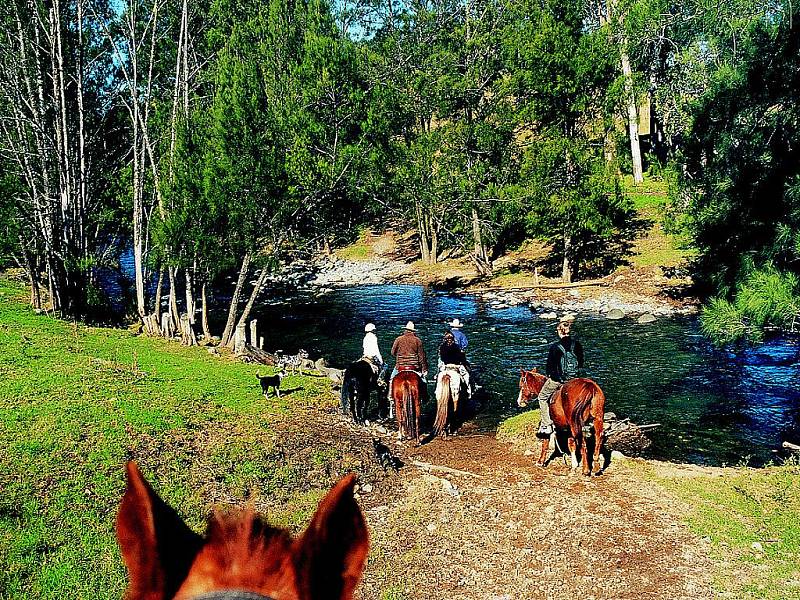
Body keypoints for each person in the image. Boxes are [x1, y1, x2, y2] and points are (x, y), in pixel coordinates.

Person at [536, 313, 584, 437]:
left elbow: (550, 367)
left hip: (560, 380)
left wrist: (554, 377)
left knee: (542, 397)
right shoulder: (577, 345)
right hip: (576, 378)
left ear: (560, 331)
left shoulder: (555, 347)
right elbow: (581, 362)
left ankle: (547, 425)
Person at [389, 321, 429, 389]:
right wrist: (424, 369)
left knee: (391, 380)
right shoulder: (417, 340)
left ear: (405, 330)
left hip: (400, 366)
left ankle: (390, 395)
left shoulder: (398, 339)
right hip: (414, 366)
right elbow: (422, 357)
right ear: (413, 331)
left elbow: (392, 352)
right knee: (423, 381)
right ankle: (425, 397)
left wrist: (400, 356)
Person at [438, 331, 471, 397]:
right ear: (453, 339)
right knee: (466, 376)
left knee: (439, 375)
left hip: (446, 366)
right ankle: (468, 391)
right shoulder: (456, 347)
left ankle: (437, 393)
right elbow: (461, 357)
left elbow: (442, 358)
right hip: (456, 366)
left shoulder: (442, 347)